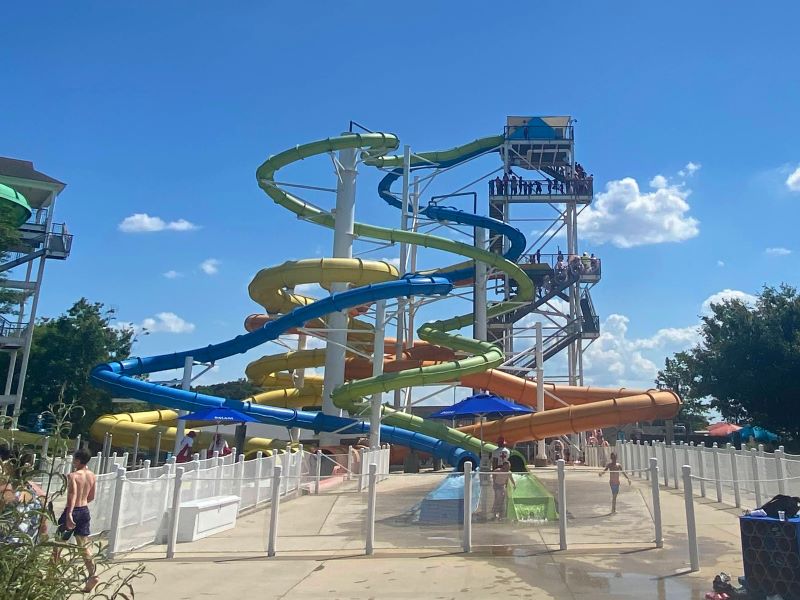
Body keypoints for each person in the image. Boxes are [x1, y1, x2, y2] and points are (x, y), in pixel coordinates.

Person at [55, 449, 98, 592]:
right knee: (84, 546)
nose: (73, 462)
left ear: (78, 460)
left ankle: (50, 576)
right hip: (85, 510)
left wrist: (69, 514)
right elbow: (91, 496)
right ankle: (93, 575)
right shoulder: (92, 475)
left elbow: (72, 496)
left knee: (58, 544)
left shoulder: (73, 476)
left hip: (73, 510)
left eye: (74, 459)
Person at [1, 451, 47, 544]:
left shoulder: (5, 491)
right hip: (28, 548)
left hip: (6, 549)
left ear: (9, 466)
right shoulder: (39, 492)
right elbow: (43, 528)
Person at [491, 450, 516, 520]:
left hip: (502, 486)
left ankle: (501, 513)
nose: (508, 468)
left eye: (509, 467)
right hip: (497, 486)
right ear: (504, 466)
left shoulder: (509, 472)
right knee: (497, 499)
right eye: (507, 466)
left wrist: (514, 484)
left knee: (502, 499)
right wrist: (494, 484)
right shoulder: (498, 471)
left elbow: (511, 479)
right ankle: (495, 513)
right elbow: (493, 477)